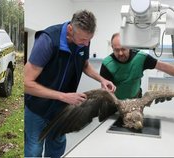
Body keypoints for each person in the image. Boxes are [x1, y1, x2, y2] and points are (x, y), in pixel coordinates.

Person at [24, 10, 116, 158]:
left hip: (61, 110)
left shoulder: (83, 40)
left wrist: (102, 80)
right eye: (83, 40)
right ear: (70, 29)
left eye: (89, 40)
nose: (86, 44)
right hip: (37, 108)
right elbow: (26, 83)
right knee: (34, 149)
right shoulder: (47, 40)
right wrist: (63, 96)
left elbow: (84, 65)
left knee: (57, 146)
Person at [100, 32, 174, 101]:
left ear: (129, 46)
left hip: (136, 99)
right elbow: (106, 91)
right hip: (116, 102)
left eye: (123, 49)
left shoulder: (140, 58)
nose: (120, 53)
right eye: (116, 50)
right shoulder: (107, 64)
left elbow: (164, 67)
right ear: (112, 47)